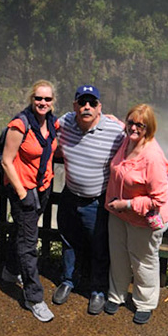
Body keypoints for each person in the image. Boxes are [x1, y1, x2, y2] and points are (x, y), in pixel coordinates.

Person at [53, 84, 123, 316]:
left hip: (96, 202)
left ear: (100, 107)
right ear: (74, 106)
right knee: (69, 242)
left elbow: (139, 142)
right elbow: (41, 127)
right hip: (70, 196)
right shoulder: (64, 124)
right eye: (82, 102)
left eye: (92, 103)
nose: (87, 107)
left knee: (98, 247)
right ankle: (68, 280)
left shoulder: (115, 131)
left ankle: (97, 290)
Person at [103, 103, 168, 325]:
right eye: (130, 122)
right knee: (119, 256)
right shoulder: (127, 140)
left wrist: (127, 204)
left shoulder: (152, 157)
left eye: (139, 125)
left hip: (142, 219)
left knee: (143, 262)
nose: (133, 128)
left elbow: (158, 199)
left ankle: (145, 303)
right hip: (118, 214)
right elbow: (123, 128)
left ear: (149, 128)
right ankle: (117, 295)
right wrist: (110, 120)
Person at [0, 81, 60, 321]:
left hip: (43, 187)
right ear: (31, 98)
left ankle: (10, 270)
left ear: (53, 101)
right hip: (24, 190)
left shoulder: (53, 123)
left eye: (47, 99)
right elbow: (6, 161)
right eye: (38, 98)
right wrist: (23, 194)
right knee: (29, 244)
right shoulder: (19, 125)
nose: (42, 103)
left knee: (24, 234)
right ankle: (33, 298)